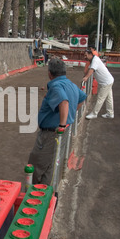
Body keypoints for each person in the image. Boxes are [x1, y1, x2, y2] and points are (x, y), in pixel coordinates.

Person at [28, 56, 86, 185]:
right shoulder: (69, 84)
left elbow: (63, 102)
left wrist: (62, 124)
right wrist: (71, 114)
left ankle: (35, 192)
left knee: (37, 163)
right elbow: (82, 98)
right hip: (62, 131)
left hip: (51, 132)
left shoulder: (56, 86)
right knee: (52, 164)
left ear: (50, 73)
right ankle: (47, 192)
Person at [83, 49, 114, 119]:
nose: (85, 57)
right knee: (109, 98)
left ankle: (94, 113)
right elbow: (88, 69)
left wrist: (86, 77)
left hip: (106, 83)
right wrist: (85, 75)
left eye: (86, 55)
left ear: (90, 54)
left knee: (100, 98)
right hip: (108, 81)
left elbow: (91, 70)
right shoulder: (92, 60)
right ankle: (110, 113)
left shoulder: (95, 60)